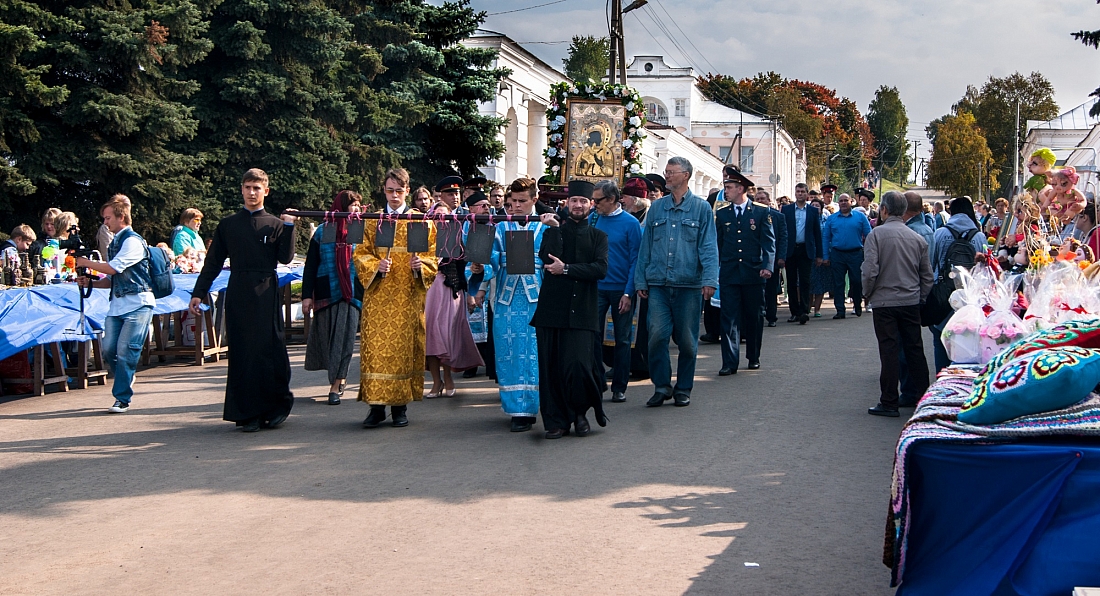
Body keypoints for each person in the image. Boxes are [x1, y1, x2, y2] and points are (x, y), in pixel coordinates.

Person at [190, 168, 297, 432]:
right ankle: (246, 413)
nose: (252, 192)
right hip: (238, 290)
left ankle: (275, 408)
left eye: (257, 188)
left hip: (266, 291)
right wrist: (198, 292)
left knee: (268, 351)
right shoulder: (228, 224)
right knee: (242, 352)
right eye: (248, 187)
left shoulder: (275, 224)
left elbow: (285, 258)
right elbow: (213, 262)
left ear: (266, 191)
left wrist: (291, 226)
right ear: (242, 189)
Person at [354, 168, 438, 428]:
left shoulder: (420, 222)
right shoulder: (372, 220)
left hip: (407, 297)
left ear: (407, 191)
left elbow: (432, 256)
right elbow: (360, 253)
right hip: (378, 298)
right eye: (389, 190)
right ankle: (376, 408)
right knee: (376, 350)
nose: (393, 195)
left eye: (398, 191)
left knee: (403, 350)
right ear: (383, 190)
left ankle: (400, 408)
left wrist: (420, 265)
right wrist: (374, 266)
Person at [634, 156, 719, 408]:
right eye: (666, 171)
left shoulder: (702, 209)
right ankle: (662, 386)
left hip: (688, 286)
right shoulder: (657, 208)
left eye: (672, 172)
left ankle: (683, 387)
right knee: (656, 337)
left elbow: (708, 247)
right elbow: (645, 247)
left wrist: (709, 280)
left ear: (686, 175)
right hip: (658, 284)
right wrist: (641, 280)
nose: (667, 175)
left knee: (688, 342)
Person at [532, 180, 610, 438]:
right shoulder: (553, 231)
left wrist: (566, 269)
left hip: (583, 311)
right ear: (567, 203)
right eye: (574, 201)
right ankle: (556, 421)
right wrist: (554, 230)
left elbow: (599, 269)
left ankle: (580, 413)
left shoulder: (599, 236)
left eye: (583, 201)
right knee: (551, 367)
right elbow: (547, 258)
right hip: (552, 310)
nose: (578, 205)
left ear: (591, 205)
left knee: (579, 365)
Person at [74, 198, 156, 414]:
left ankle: (122, 398)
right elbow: (113, 279)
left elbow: (113, 268)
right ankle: (126, 375)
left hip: (138, 303)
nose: (105, 222)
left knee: (125, 350)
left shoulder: (133, 242)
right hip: (118, 305)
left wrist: (85, 263)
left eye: (108, 218)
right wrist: (91, 282)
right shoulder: (115, 243)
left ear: (121, 217)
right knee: (109, 348)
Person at [862, 191, 932, 417]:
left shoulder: (876, 235)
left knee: (889, 351)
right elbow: (927, 276)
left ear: (884, 210)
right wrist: (920, 297)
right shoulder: (917, 238)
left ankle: (889, 401)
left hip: (884, 302)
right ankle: (925, 399)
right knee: (915, 350)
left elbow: (870, 270)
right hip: (910, 300)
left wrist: (867, 294)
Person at [487, 177, 548, 432]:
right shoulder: (500, 227)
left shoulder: (546, 226)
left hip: (537, 300)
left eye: (522, 201)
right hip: (507, 300)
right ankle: (516, 410)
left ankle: (536, 406)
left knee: (534, 354)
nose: (516, 206)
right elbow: (489, 259)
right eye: (512, 201)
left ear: (534, 200)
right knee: (509, 353)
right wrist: (480, 269)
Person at [302, 190, 363, 406]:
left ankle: (338, 383)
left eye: (357, 205)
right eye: (351, 204)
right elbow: (310, 265)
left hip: (352, 294)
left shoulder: (360, 230)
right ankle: (335, 377)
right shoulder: (323, 231)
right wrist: (307, 296)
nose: (355, 209)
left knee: (345, 340)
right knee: (329, 341)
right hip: (327, 291)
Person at [424, 177, 483, 396]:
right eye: (437, 216)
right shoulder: (425, 232)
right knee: (430, 336)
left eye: (445, 216)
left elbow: (464, 264)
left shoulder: (459, 230)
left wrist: (469, 292)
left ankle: (448, 380)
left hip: (450, 289)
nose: (442, 219)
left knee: (446, 335)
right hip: (429, 289)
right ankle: (435, 382)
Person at [715, 169, 774, 375]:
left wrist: (767, 266)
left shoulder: (760, 212)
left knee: (754, 316)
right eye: (725, 187)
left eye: (729, 187)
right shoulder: (722, 213)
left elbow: (768, 242)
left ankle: (753, 356)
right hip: (730, 273)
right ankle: (729, 361)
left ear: (741, 189)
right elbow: (718, 244)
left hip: (753, 272)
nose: (726, 191)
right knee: (728, 317)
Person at [591, 179, 641, 403]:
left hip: (622, 290)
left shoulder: (631, 224)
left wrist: (629, 293)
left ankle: (620, 386)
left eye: (598, 200)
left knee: (622, 339)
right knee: (593, 336)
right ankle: (598, 380)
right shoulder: (594, 220)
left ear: (611, 199)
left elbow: (636, 261)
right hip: (597, 288)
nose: (594, 204)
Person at [822, 193, 871, 319]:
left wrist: (869, 254)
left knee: (856, 281)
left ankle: (857, 304)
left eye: (846, 200)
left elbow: (869, 236)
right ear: (838, 203)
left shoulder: (860, 217)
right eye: (841, 201)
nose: (843, 203)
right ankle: (840, 310)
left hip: (855, 253)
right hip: (837, 254)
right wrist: (826, 256)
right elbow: (826, 238)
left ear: (851, 202)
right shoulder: (832, 219)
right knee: (838, 283)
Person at [622, 177, 652, 379]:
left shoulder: (649, 217)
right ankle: (624, 362)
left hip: (645, 278)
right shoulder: (627, 216)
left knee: (642, 325)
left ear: (634, 199)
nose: (621, 201)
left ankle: (641, 363)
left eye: (624, 197)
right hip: (625, 275)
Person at [781, 183, 822, 324]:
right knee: (791, 282)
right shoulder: (786, 210)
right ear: (795, 193)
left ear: (807, 194)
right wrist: (781, 254)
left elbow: (817, 233)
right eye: (798, 191)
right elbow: (782, 233)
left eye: (803, 192)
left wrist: (819, 255)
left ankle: (804, 311)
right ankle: (794, 312)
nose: (800, 194)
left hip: (806, 249)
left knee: (805, 281)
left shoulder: (812, 211)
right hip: (791, 250)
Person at [756, 190, 787, 328]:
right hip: (755, 259)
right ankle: (759, 314)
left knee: (771, 289)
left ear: (769, 201)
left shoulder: (778, 216)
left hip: (772, 259)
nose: (760, 201)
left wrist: (781, 257)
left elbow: (783, 238)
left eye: (763, 198)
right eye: (758, 199)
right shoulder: (750, 215)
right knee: (757, 290)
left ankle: (771, 316)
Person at [808, 197, 830, 317]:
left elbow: (827, 239)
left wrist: (825, 255)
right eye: (813, 205)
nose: (815, 208)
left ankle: (817, 309)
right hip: (808, 254)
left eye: (817, 206)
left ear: (821, 208)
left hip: (821, 253)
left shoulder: (826, 220)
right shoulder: (807, 219)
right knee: (808, 282)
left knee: (820, 283)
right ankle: (807, 306)